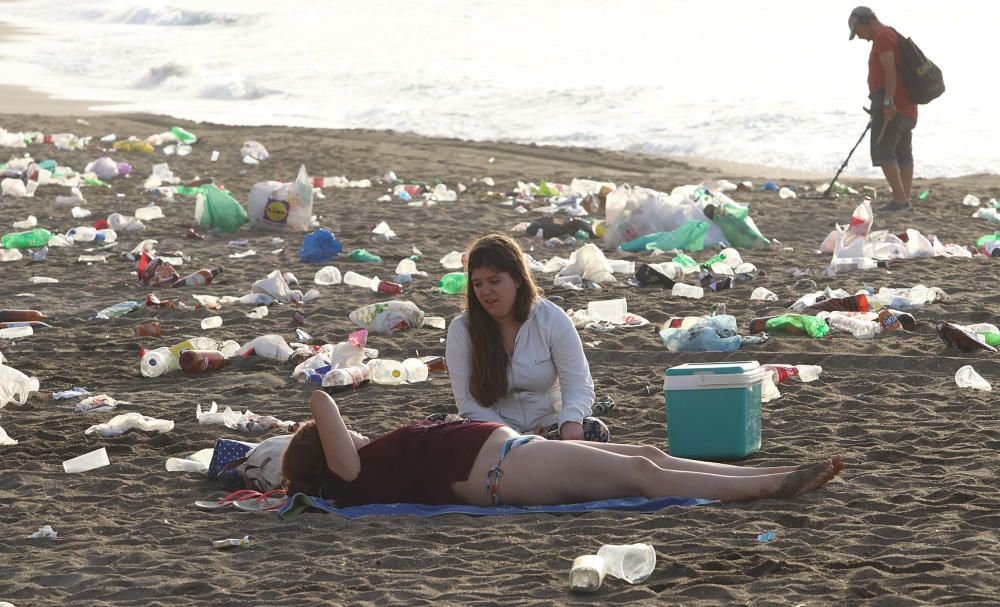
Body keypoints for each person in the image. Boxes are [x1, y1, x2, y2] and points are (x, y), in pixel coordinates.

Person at [281, 391, 844, 507]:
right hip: (509, 468)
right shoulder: (353, 473)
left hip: (520, 452)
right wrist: (317, 396)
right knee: (643, 472)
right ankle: (765, 488)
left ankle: (781, 470)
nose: (353, 431)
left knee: (648, 451)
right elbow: (332, 426)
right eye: (339, 434)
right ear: (325, 453)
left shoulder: (369, 463)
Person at [444, 233, 606, 442]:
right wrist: (514, 437)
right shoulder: (462, 329)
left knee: (594, 429)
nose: (485, 291)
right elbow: (468, 403)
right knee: (439, 428)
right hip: (495, 435)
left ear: (518, 279)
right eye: (477, 284)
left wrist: (570, 421)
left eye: (494, 281)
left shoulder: (551, 318)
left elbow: (578, 384)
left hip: (549, 428)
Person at [848, 6, 918, 212]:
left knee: (883, 151)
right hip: (907, 105)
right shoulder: (892, 34)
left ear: (866, 21)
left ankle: (899, 199)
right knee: (903, 152)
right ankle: (903, 199)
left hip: (892, 106)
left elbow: (890, 72)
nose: (859, 37)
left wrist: (888, 102)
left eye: (858, 31)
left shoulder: (883, 38)